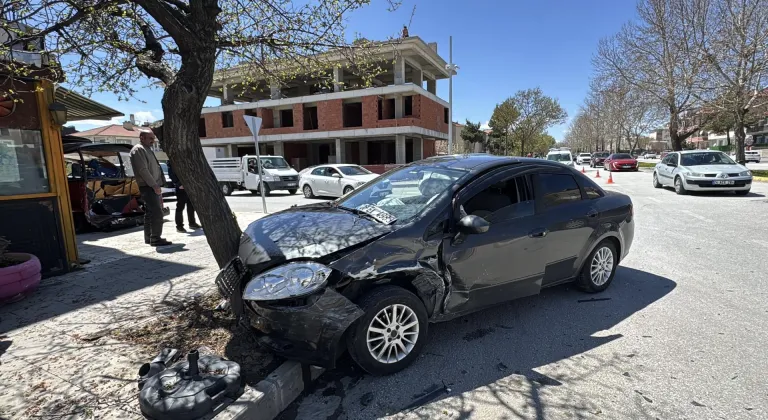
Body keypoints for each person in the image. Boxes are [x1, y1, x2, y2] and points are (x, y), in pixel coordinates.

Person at [129, 130, 171, 246]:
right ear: (142, 138)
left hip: (152, 185)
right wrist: (154, 185)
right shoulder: (138, 149)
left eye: (153, 138)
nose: (153, 141)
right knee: (157, 212)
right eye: (150, 138)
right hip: (148, 186)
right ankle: (156, 238)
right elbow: (143, 170)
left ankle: (149, 237)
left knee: (150, 212)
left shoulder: (147, 149)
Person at [167, 161, 201, 233]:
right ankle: (179, 226)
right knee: (180, 206)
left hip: (190, 186)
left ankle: (192, 223)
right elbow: (171, 174)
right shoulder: (172, 160)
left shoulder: (186, 158)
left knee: (191, 205)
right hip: (181, 187)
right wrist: (178, 184)